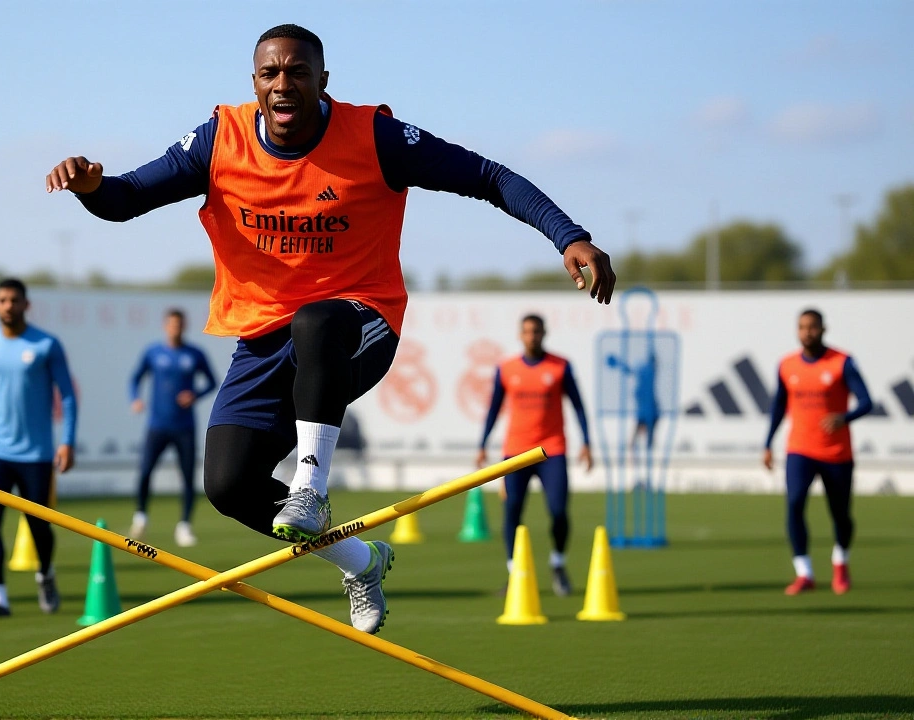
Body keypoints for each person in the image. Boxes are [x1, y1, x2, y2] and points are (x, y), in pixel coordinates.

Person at [46, 24, 614, 634]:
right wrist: (91, 187)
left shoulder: (375, 136)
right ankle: (361, 561)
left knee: (317, 321)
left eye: (296, 73)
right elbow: (126, 197)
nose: (282, 85)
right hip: (263, 340)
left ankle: (310, 488)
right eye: (270, 74)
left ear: (323, 82)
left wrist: (568, 234)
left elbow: (489, 176)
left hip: (359, 324)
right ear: (254, 83)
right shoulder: (219, 140)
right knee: (229, 484)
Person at [0, 278, 78, 623]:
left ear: (27, 304)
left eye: (15, 300)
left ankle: (45, 574)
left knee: (39, 525)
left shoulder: (46, 345)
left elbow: (67, 395)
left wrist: (67, 440)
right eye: (3, 300)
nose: (9, 305)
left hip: (36, 454)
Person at [475, 315, 592, 596]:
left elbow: (578, 406)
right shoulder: (507, 369)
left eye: (536, 331)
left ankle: (558, 563)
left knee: (559, 511)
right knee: (512, 510)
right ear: (520, 335)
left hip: (552, 449)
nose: (532, 336)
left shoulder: (560, 366)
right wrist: (482, 444)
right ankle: (515, 572)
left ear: (544, 333)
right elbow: (494, 408)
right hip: (516, 451)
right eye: (527, 331)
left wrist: (587, 443)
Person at [764, 309, 872, 596]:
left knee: (840, 515)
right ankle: (805, 572)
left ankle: (841, 562)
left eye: (812, 327)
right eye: (802, 327)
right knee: (795, 503)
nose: (807, 332)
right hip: (800, 449)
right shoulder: (786, 365)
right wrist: (767, 443)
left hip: (836, 452)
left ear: (824, 329)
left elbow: (866, 401)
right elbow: (778, 407)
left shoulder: (842, 363)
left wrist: (843, 418)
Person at [128, 308, 217, 547]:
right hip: (157, 425)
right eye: (171, 324)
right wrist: (135, 398)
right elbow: (135, 378)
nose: (175, 328)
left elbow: (212, 382)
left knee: (187, 478)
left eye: (179, 325)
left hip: (184, 427)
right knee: (145, 472)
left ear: (183, 326)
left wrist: (195, 394)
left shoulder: (194, 354)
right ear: (165, 326)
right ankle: (141, 518)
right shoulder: (153, 353)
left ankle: (185, 526)